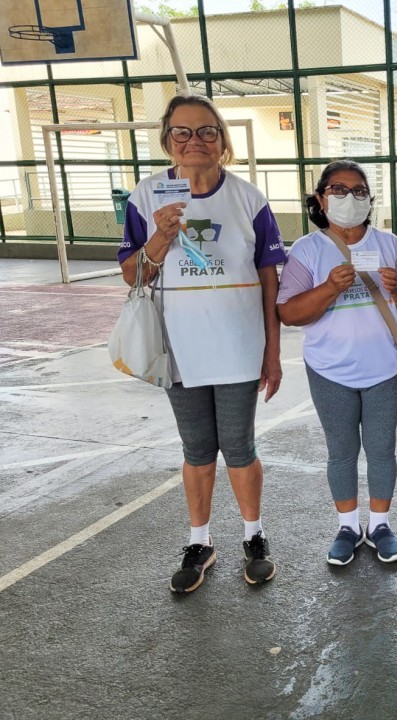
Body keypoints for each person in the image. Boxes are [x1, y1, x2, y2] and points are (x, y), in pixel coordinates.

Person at [117, 94, 286, 594]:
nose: (195, 141)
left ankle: (254, 537)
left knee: (238, 446)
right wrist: (158, 239)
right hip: (179, 347)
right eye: (183, 132)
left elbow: (269, 281)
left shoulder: (249, 199)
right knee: (196, 449)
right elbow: (133, 274)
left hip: (238, 344)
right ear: (168, 140)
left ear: (223, 141)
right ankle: (200, 541)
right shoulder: (146, 197)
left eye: (207, 131)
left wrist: (272, 353)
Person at [277, 160, 397, 566]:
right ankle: (347, 526)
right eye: (339, 190)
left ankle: (379, 526)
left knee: (381, 449)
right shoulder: (308, 249)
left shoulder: (390, 244)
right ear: (321, 199)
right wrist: (328, 288)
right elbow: (289, 313)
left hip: (384, 369)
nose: (349, 198)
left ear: (370, 200)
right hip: (329, 369)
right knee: (341, 451)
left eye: (359, 191)